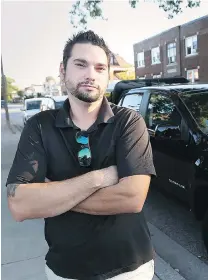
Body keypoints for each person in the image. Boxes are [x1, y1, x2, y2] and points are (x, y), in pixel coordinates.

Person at [6, 30, 156, 280]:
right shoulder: (40, 126)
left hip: (130, 269)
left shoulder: (128, 122)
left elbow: (132, 198)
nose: (90, 74)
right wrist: (97, 179)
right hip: (65, 271)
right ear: (63, 71)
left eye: (100, 68)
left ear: (108, 75)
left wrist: (51, 194)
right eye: (80, 64)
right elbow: (20, 205)